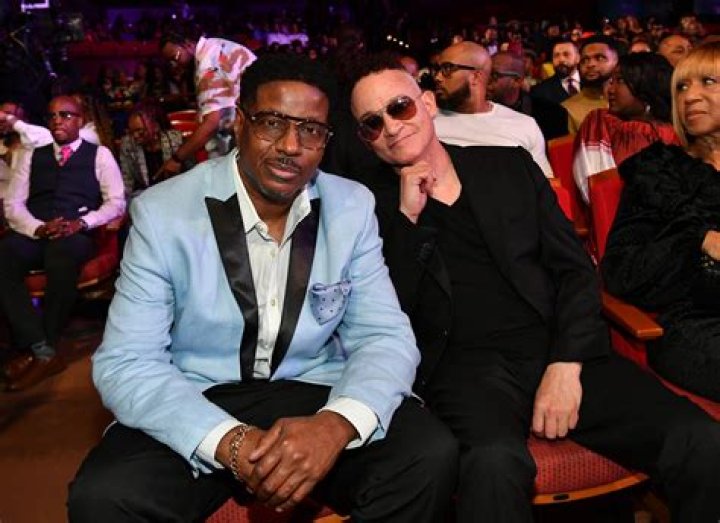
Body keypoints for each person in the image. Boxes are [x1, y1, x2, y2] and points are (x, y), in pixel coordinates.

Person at [67, 54, 457, 522]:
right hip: (199, 394)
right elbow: (127, 361)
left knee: (427, 456)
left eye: (311, 130)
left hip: (313, 389)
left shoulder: (351, 206)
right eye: (272, 123)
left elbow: (384, 336)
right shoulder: (162, 212)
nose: (291, 146)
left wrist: (335, 425)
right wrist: (231, 442)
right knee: (103, 497)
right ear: (239, 122)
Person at [350, 58, 720, 522]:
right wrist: (408, 220)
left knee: (700, 439)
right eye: (371, 123)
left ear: (427, 103)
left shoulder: (507, 165)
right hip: (464, 371)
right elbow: (386, 315)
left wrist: (566, 362)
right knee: (493, 464)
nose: (390, 127)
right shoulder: (365, 206)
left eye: (399, 107)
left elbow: (576, 271)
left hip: (556, 346)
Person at [601, 42, 720, 401]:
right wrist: (699, 241)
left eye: (708, 81)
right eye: (681, 86)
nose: (690, 96)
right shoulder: (658, 172)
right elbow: (620, 272)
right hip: (696, 324)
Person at [0, 95, 125, 391]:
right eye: (53, 116)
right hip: (38, 231)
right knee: (4, 255)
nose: (58, 121)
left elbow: (116, 202)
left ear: (80, 120)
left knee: (61, 257)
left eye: (66, 115)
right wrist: (38, 228)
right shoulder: (31, 155)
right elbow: (13, 204)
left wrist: (82, 222)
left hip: (77, 233)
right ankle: (41, 348)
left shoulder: (99, 155)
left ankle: (41, 351)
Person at [432, 41, 553, 178]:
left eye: (447, 68)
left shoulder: (524, 125)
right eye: (437, 69)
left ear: (476, 76)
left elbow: (546, 184)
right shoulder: (427, 122)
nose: (437, 77)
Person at [572, 52, 680, 202]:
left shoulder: (673, 133)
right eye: (611, 81)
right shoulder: (600, 123)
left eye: (620, 81)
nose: (610, 89)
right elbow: (597, 193)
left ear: (646, 85)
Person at [158, 30, 257, 176]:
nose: (174, 64)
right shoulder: (215, 46)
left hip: (252, 133)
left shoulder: (208, 65)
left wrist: (177, 159)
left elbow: (212, 123)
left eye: (175, 57)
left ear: (187, 44)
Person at [118, 101, 190, 197]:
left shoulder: (176, 140)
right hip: (147, 195)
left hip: (177, 192)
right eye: (131, 132)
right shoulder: (128, 145)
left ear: (155, 127)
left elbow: (192, 171)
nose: (135, 136)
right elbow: (127, 180)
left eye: (140, 131)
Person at [562, 35, 619, 134]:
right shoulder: (567, 109)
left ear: (616, 62)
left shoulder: (631, 103)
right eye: (585, 60)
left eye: (600, 58)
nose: (590, 64)